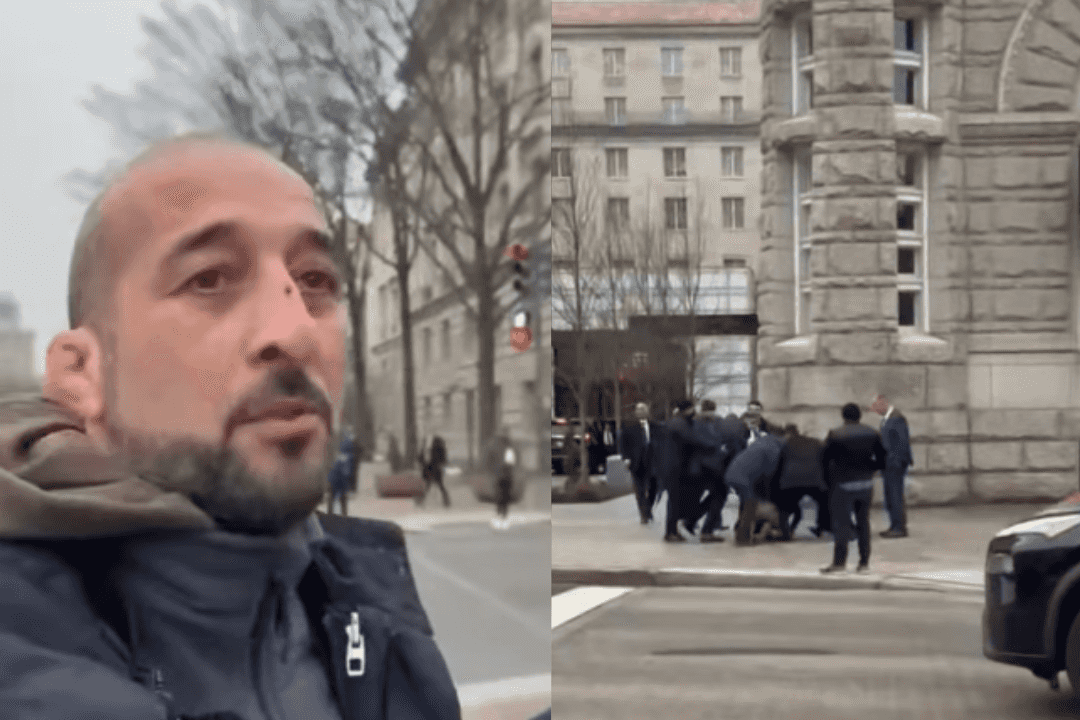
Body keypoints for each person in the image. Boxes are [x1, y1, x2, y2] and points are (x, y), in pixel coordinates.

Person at [0, 134, 458, 718]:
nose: (295, 332)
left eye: (316, 280)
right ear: (81, 373)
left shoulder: (364, 603)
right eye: (210, 279)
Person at [820, 403, 888, 574]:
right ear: (860, 416)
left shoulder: (835, 434)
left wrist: (830, 480)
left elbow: (824, 460)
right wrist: (870, 469)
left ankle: (839, 563)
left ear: (843, 416)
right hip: (865, 484)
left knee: (841, 524)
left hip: (842, 484)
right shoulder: (872, 433)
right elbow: (882, 458)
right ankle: (864, 563)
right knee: (863, 523)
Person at [658, 400, 713, 542]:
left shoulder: (676, 421)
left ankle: (673, 531)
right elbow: (693, 439)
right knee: (674, 500)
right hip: (674, 467)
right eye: (692, 409)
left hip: (673, 466)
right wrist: (712, 446)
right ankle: (670, 533)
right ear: (686, 410)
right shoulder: (679, 423)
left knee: (675, 500)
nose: (694, 412)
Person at [723, 427, 786, 546]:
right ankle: (743, 539)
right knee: (750, 506)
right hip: (743, 478)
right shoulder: (773, 448)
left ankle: (740, 531)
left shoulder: (763, 442)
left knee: (746, 504)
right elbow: (770, 472)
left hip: (733, 473)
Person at [695, 401, 747, 542]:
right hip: (717, 466)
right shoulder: (719, 422)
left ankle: (692, 520)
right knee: (719, 496)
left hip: (699, 466)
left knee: (713, 496)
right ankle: (705, 530)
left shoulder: (695, 421)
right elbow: (731, 444)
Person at [770, 424, 830, 540]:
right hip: (814, 479)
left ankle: (786, 532)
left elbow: (779, 464)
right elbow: (825, 456)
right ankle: (821, 527)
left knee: (785, 507)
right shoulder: (815, 441)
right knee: (824, 501)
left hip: (791, 480)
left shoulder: (784, 444)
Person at [872, 394, 913, 538]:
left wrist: (895, 462)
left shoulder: (896, 418)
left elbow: (901, 443)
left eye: (875, 406)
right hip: (888, 464)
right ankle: (895, 525)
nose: (874, 409)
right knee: (891, 496)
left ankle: (899, 528)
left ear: (883, 403)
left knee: (895, 496)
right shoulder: (888, 419)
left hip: (894, 464)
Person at [620, 402, 659, 524]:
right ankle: (644, 514)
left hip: (652, 462)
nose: (640, 412)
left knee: (654, 487)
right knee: (640, 490)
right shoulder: (629, 426)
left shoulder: (654, 426)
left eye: (643, 409)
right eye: (638, 409)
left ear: (647, 411)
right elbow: (622, 443)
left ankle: (648, 508)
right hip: (636, 462)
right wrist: (626, 458)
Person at [485, 429, 517, 529]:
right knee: (505, 495)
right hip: (506, 475)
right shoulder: (509, 447)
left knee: (500, 495)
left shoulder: (494, 446)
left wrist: (492, 471)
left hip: (499, 475)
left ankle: (499, 514)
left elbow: (489, 460)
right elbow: (512, 462)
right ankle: (503, 515)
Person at [327, 430, 357, 516]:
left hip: (335, 477)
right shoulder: (345, 454)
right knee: (339, 497)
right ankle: (342, 514)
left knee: (334, 497)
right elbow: (347, 472)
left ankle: (332, 513)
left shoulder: (336, 450)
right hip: (339, 477)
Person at [419, 434, 451, 508]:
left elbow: (420, 458)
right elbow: (444, 460)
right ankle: (446, 501)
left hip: (429, 468)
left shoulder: (427, 448)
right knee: (440, 485)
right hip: (435, 469)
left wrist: (423, 464)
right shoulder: (440, 448)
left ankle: (421, 501)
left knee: (428, 485)